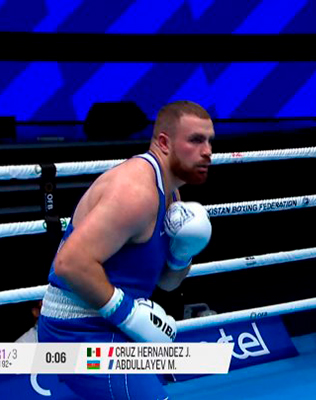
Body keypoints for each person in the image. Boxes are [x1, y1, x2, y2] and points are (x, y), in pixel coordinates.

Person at [37, 100, 215, 400]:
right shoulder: (135, 193)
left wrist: (182, 253)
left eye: (210, 141)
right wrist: (131, 316)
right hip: (74, 331)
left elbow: (167, 283)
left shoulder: (171, 192)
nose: (207, 151)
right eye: (196, 140)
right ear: (164, 143)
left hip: (110, 323)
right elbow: (69, 263)